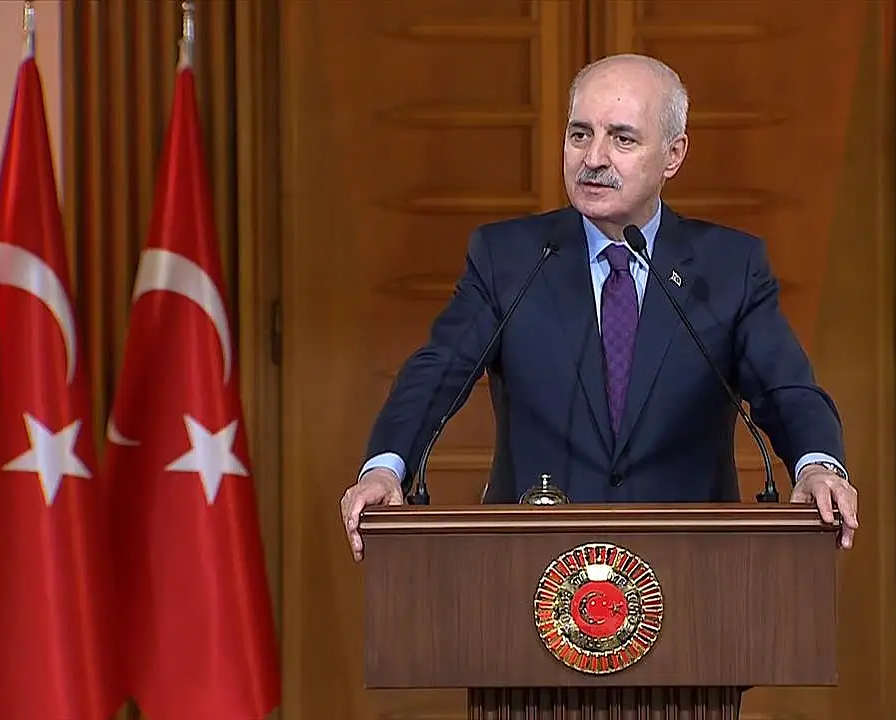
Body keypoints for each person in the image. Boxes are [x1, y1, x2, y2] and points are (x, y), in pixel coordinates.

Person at [340, 53, 860, 558]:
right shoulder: (509, 258)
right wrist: (385, 467)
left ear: (673, 155)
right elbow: (438, 371)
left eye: (622, 138)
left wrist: (817, 466)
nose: (593, 159)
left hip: (691, 564)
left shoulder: (728, 267)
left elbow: (785, 387)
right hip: (532, 563)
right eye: (580, 134)